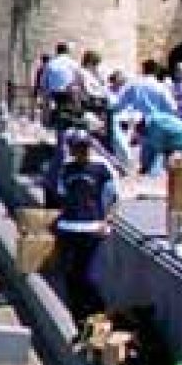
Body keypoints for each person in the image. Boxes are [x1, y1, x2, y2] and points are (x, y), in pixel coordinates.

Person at [52, 128, 118, 323]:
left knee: (89, 276)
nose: (81, 152)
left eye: (84, 147)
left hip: (92, 227)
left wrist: (107, 221)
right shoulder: (66, 168)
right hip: (69, 227)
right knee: (71, 276)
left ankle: (97, 313)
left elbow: (113, 197)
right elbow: (62, 194)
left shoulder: (101, 168)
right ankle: (78, 319)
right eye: (76, 148)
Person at [139, 110, 182, 179]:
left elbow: (155, 153)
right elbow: (166, 145)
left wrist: (145, 170)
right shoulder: (155, 119)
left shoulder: (154, 127)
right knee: (179, 175)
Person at [42, 43, 81, 128]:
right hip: (69, 93)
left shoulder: (50, 64)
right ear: (67, 51)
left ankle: (46, 121)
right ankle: (77, 119)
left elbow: (44, 82)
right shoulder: (73, 63)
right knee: (76, 104)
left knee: (48, 104)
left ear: (57, 51)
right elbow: (79, 78)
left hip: (54, 94)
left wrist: (46, 94)